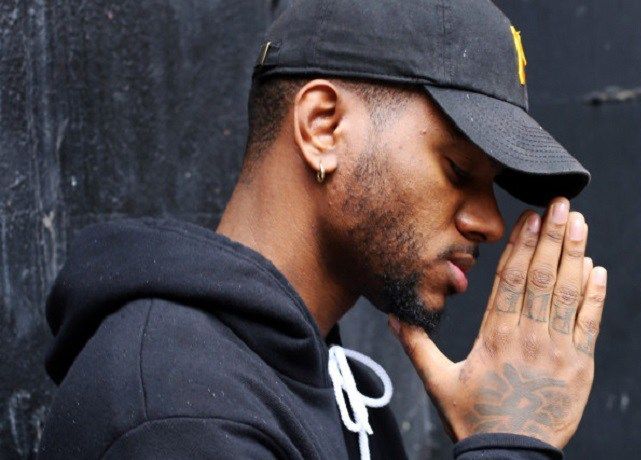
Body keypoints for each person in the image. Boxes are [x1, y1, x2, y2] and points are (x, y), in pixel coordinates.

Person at [38, 0, 607, 458]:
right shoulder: (174, 410)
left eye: (494, 185)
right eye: (458, 170)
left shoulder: (334, 391)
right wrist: (508, 447)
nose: (490, 223)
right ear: (323, 126)